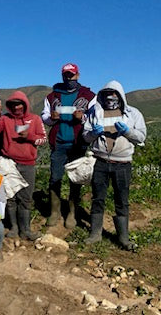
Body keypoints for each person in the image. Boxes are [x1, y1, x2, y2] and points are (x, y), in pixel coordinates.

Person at [83, 80, 146, 250]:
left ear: (120, 96)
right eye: (107, 95)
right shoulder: (95, 112)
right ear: (102, 95)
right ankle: (95, 234)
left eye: (114, 95)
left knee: (122, 199)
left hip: (123, 163)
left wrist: (127, 131)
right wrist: (92, 133)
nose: (111, 98)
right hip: (100, 161)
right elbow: (85, 137)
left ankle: (123, 238)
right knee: (98, 197)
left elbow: (141, 137)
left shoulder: (133, 114)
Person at [41, 63, 96, 228]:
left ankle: (72, 213)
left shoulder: (88, 95)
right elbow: (44, 116)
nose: (68, 78)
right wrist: (51, 117)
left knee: (76, 179)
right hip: (58, 143)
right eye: (65, 75)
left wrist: (83, 118)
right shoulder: (52, 96)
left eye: (71, 75)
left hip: (77, 143)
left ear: (78, 75)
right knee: (55, 178)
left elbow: (94, 116)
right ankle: (55, 212)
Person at [0, 91, 47, 240]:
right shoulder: (5, 119)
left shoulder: (35, 119)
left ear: (25, 104)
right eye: (14, 104)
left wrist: (29, 136)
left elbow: (43, 139)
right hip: (9, 163)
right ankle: (14, 227)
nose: (17, 107)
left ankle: (26, 230)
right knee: (10, 196)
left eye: (19, 104)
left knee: (26, 197)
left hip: (28, 164)